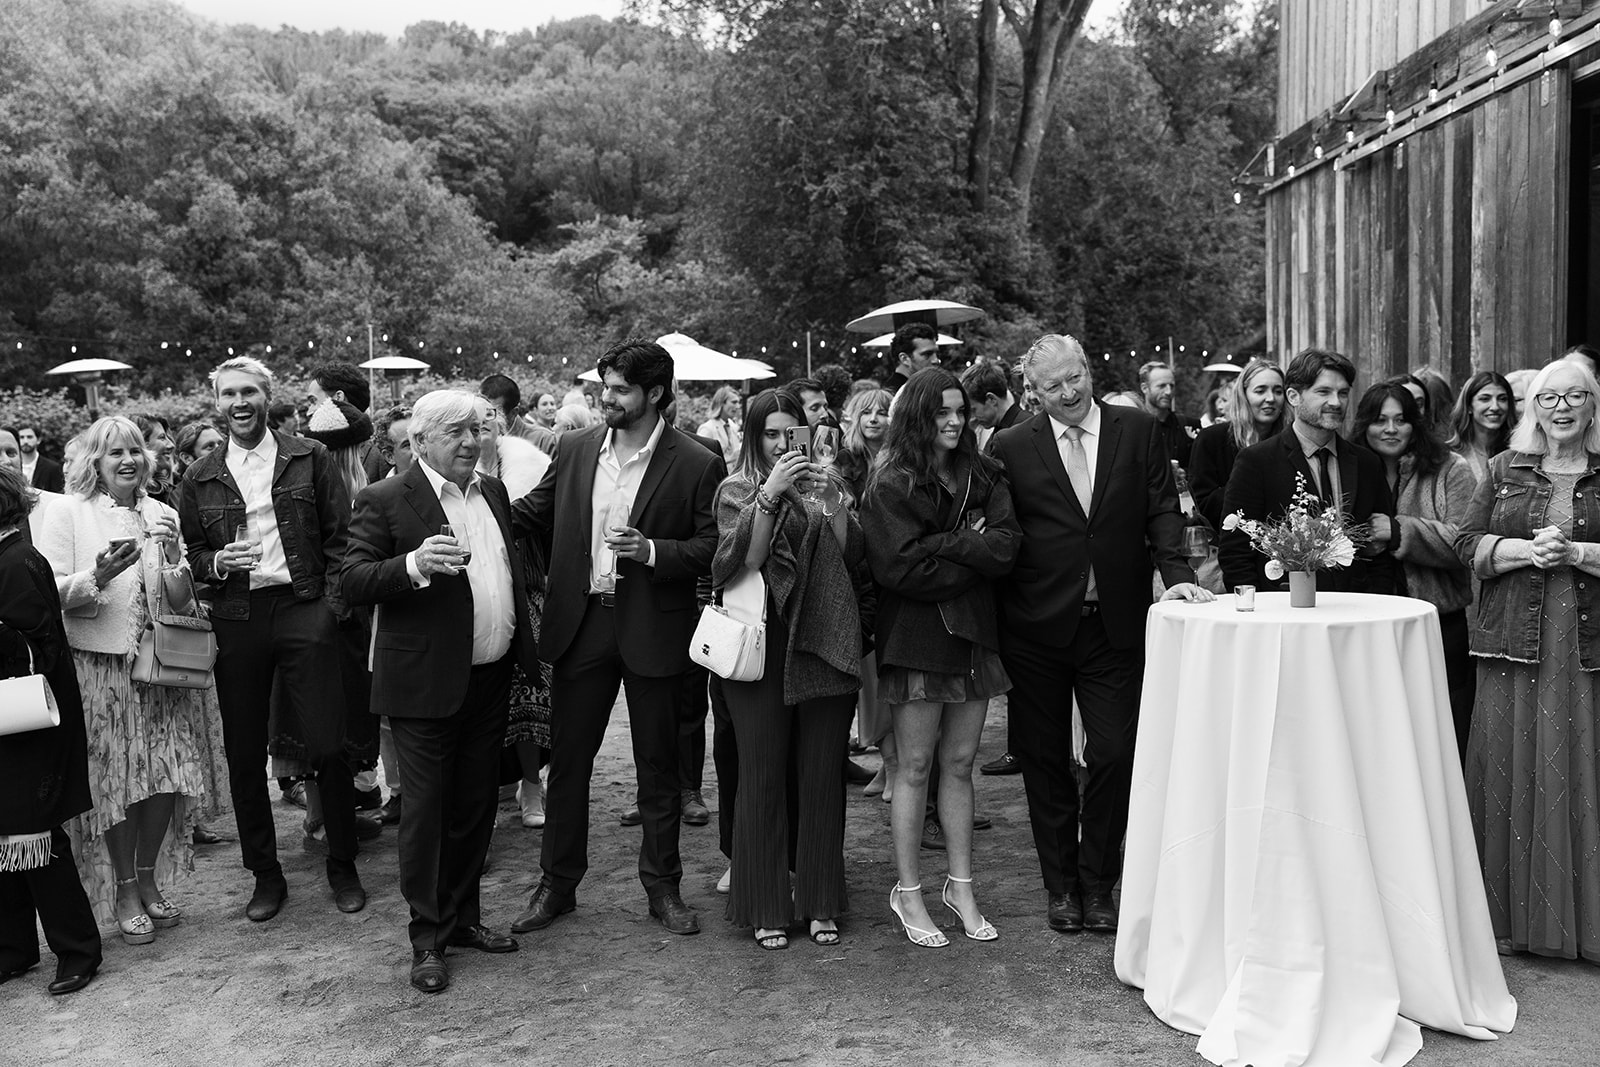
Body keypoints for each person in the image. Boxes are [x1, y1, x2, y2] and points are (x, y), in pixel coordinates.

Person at [990, 334, 1213, 935]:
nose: (1069, 392)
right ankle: (1062, 887)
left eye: (1076, 377)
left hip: (1114, 623)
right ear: (1032, 392)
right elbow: (1002, 531)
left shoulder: (1135, 429)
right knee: (1045, 761)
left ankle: (1099, 883)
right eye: (1053, 385)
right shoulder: (1011, 445)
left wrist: (1177, 577)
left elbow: (1162, 509)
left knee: (1115, 753)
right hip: (1035, 628)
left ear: (1089, 370)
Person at [508, 340, 722, 938]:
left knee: (658, 767)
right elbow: (534, 512)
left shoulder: (697, 460)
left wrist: (651, 550)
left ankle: (663, 887)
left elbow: (713, 545)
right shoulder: (575, 447)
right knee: (569, 764)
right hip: (581, 625)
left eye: (621, 389)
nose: (608, 397)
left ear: (655, 394)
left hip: (655, 625)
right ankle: (556, 886)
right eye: (605, 387)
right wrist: (467, 502)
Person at [342, 390, 539, 993]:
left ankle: (464, 920)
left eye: (476, 429)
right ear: (421, 440)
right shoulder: (385, 497)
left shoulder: (493, 491)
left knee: (476, 807)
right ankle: (427, 938)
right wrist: (413, 564)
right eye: (454, 432)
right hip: (423, 684)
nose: (470, 441)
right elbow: (351, 581)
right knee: (427, 815)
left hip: (490, 676)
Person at [178, 356, 366, 922]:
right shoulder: (199, 475)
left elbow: (341, 538)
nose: (239, 403)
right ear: (218, 402)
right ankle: (265, 874)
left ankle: (343, 863)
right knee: (243, 754)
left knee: (328, 744)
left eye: (249, 392)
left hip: (304, 606)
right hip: (238, 614)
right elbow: (193, 552)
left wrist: (330, 609)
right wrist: (216, 562)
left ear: (266, 396)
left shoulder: (309, 456)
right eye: (229, 393)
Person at [862, 369, 1018, 948]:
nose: (954, 422)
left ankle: (961, 887)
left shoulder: (984, 471)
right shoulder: (890, 482)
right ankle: (908, 893)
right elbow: (900, 570)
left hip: (973, 633)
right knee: (914, 767)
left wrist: (941, 545)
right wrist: (970, 549)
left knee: (959, 764)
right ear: (918, 417)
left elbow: (1006, 548)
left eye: (960, 411)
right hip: (916, 638)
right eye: (941, 413)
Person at [39, 417, 207, 944]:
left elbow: (182, 601)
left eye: (135, 450)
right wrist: (100, 576)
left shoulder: (161, 512)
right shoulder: (69, 511)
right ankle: (125, 889)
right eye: (115, 453)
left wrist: (175, 557)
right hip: (101, 669)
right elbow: (48, 591)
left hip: (162, 668)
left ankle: (149, 877)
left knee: (166, 776)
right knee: (117, 783)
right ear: (96, 461)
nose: (128, 460)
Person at [1455, 357, 1600, 962]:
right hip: (1514, 644)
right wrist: (1523, 551)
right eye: (1549, 397)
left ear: (1592, 406)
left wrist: (1577, 552)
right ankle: (1507, 922)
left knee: (1581, 767)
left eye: (1575, 396)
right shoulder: (1502, 468)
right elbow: (1466, 543)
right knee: (1511, 767)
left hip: (1587, 650)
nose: (1561, 408)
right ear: (1533, 408)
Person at [712, 389, 867, 949]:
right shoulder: (736, 488)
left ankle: (820, 900)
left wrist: (834, 503)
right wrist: (770, 495)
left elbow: (853, 558)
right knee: (761, 774)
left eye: (789, 433)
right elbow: (745, 561)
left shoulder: (828, 482)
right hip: (761, 641)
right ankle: (765, 902)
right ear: (754, 437)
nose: (782, 445)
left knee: (822, 773)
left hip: (823, 637)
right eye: (770, 435)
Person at [0, 465, 101, 995]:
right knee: (5, 838)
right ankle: (13, 950)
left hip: (30, 725)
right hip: (9, 724)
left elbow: (40, 648)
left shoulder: (17, 560)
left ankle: (79, 951)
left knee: (36, 840)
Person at [1353, 383, 1477, 758]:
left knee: (1443, 727)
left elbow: (1466, 542)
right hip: (1367, 619)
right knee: (1377, 725)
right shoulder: (1348, 468)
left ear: (1415, 424)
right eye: (1380, 420)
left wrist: (1399, 531)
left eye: (1401, 420)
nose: (1390, 429)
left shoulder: (1450, 468)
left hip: (1438, 621)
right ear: (1365, 424)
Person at [1219, 348, 1397, 595]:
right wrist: (1256, 609)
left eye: (1343, 393)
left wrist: (1377, 603)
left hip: (1355, 606)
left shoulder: (1366, 463)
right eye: (1323, 392)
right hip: (1283, 606)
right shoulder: (1257, 461)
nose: (1336, 402)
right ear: (1293, 396)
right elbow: (1236, 552)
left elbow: (1380, 551)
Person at [474, 396, 553, 830]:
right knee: (483, 701)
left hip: (527, 593)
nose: (478, 433)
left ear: (500, 427)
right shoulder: (448, 473)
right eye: (469, 426)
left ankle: (531, 786)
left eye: (487, 423)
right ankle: (485, 793)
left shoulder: (528, 468)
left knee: (529, 693)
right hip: (474, 599)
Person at [834, 389, 895, 793]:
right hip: (859, 575)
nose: (874, 418)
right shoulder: (843, 461)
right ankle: (888, 762)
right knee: (868, 675)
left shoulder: (902, 457)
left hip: (893, 571)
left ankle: (893, 767)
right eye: (866, 412)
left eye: (883, 412)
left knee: (891, 674)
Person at [1187, 359, 1287, 532]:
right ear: (1243, 395)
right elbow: (1201, 506)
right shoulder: (1212, 439)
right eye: (1260, 391)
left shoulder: (1289, 442)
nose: (1270, 398)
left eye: (1278, 391)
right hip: (1226, 540)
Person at [1446, 371, 1514, 486]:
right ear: (1469, 406)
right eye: (1485, 399)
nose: (1495, 407)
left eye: (1502, 399)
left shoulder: (1518, 452)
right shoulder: (1450, 454)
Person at [1137, 361, 1201, 472]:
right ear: (1144, 388)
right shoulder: (1134, 426)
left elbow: (1202, 468)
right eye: (1161, 386)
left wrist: (1185, 474)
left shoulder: (1189, 425)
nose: (1168, 391)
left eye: (1171, 386)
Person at [483, 373, 558, 454]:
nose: (484, 418)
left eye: (493, 413)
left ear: (513, 413)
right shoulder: (478, 438)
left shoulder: (543, 440)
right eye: (481, 409)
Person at [961, 359, 1024, 452]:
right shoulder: (1005, 430)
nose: (972, 418)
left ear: (991, 399)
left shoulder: (1017, 435)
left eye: (974, 410)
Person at [696, 385, 744, 468]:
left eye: (738, 403)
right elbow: (700, 458)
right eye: (734, 402)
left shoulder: (733, 426)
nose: (737, 406)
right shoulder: (707, 428)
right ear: (721, 403)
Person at [885, 323, 941, 391]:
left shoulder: (922, 388)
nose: (936, 360)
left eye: (937, 353)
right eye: (927, 354)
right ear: (904, 359)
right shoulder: (892, 394)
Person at [17, 426, 64, 493]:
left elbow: (58, 495)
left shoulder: (52, 468)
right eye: (21, 437)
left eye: (29, 437)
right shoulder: (10, 465)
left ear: (38, 440)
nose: (25, 441)